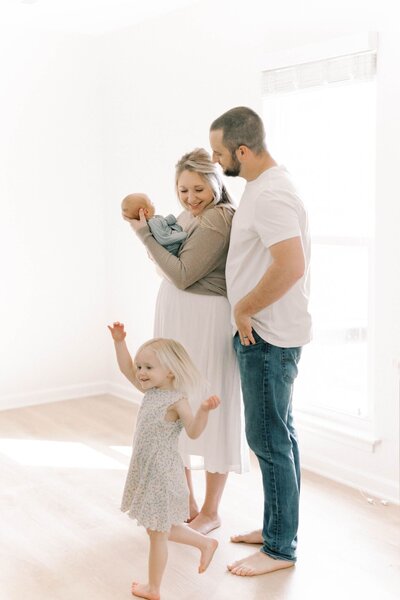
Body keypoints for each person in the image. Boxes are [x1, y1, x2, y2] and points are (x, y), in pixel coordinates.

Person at [209, 107, 312, 576]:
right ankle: (276, 528)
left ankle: (278, 549)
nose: (217, 161)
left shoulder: (271, 194)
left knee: (269, 441)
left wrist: (245, 308)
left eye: (219, 153)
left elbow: (290, 266)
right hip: (266, 333)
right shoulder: (263, 187)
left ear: (242, 151)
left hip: (266, 336)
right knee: (278, 438)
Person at [126, 148, 248, 535]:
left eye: (198, 188)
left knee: (208, 402)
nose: (190, 197)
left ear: (216, 184)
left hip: (205, 319)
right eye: (183, 190)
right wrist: (152, 236)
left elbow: (180, 273)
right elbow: (169, 264)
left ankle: (211, 510)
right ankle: (188, 501)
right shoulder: (187, 217)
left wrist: (142, 234)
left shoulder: (217, 219)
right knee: (171, 403)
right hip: (178, 317)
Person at [108, 321, 220, 600]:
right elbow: (125, 368)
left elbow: (193, 432)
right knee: (156, 527)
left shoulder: (176, 401)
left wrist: (204, 410)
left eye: (148, 367)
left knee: (157, 534)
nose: (141, 372)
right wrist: (120, 342)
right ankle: (205, 544)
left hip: (162, 474)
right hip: (147, 470)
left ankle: (154, 588)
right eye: (141, 366)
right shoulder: (151, 391)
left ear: (170, 371)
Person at [121, 193, 187, 256]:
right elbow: (164, 239)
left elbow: (163, 223)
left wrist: (170, 219)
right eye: (151, 203)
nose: (153, 203)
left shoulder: (155, 219)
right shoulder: (153, 223)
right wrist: (183, 235)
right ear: (146, 211)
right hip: (173, 247)